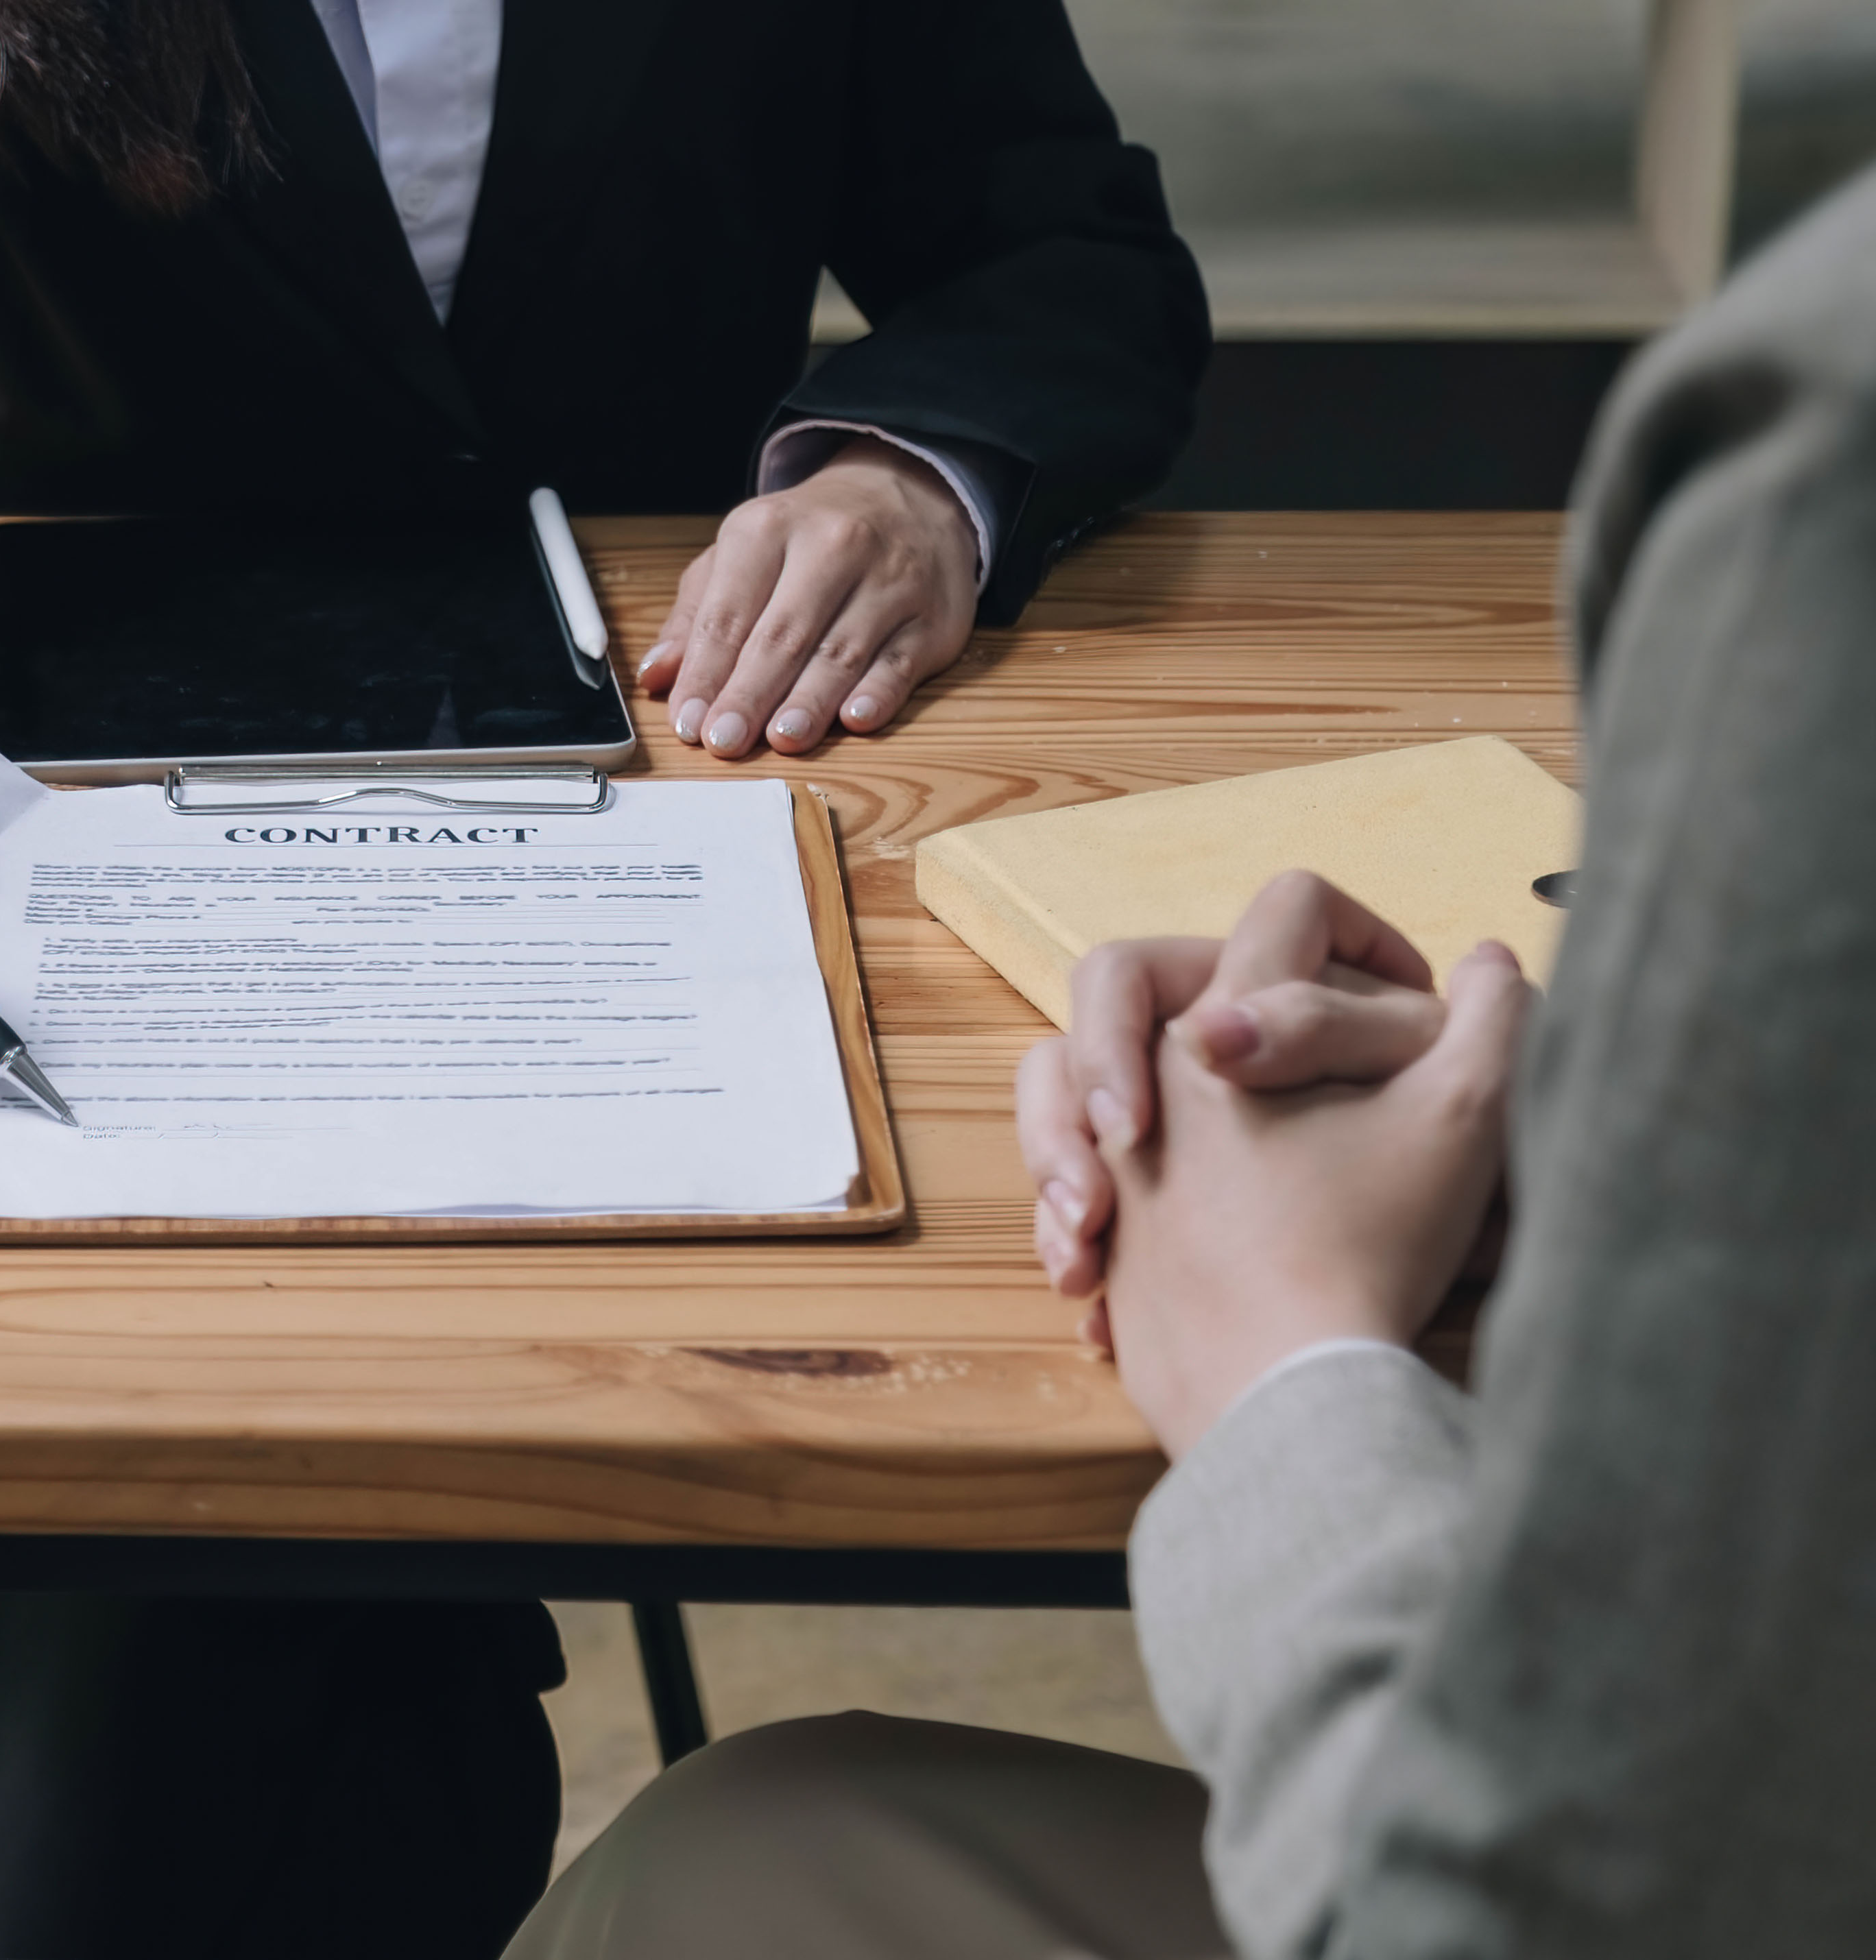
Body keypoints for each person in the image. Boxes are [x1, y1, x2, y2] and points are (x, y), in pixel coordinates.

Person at [0, 1, 1207, 1949]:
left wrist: (916, 472)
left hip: (681, 809)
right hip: (82, 883)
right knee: (141, 1560)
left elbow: (1059, 245)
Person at [494, 162, 1876, 1959]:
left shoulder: (1818, 453)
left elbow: (1520, 1901)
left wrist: (1279, 1358)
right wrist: (1631, 1136)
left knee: (710, 1889)